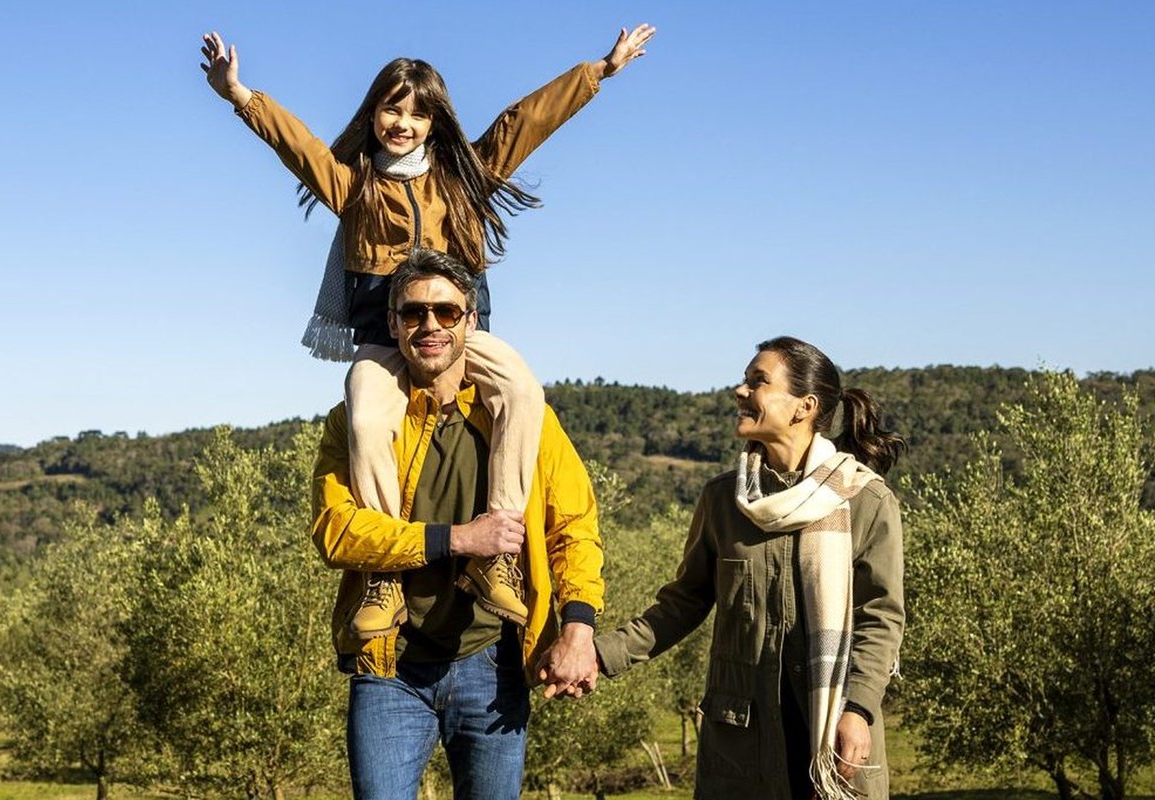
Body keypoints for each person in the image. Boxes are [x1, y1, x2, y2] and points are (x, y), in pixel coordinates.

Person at [200, 25, 653, 635]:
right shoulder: (355, 188)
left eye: (416, 112)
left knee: (521, 391)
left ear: (435, 120)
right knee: (364, 414)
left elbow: (525, 122)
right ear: (375, 112)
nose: (403, 122)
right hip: (387, 344)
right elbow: (299, 146)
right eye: (392, 108)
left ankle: (496, 557)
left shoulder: (464, 180)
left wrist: (600, 70)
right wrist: (239, 94)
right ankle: (386, 576)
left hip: (464, 340)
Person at [310, 249, 603, 798]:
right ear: (393, 324)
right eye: (414, 313)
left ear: (471, 320)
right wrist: (457, 540)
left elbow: (574, 525)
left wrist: (579, 626)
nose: (430, 325)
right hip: (389, 666)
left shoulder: (524, 418)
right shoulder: (353, 422)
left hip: (493, 663)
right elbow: (335, 530)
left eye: (446, 313)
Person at [591, 336, 906, 800]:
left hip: (836, 735)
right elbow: (684, 603)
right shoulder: (722, 500)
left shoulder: (865, 500)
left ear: (805, 406)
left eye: (758, 381)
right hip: (742, 748)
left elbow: (881, 618)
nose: (740, 391)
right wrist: (600, 655)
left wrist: (858, 708)